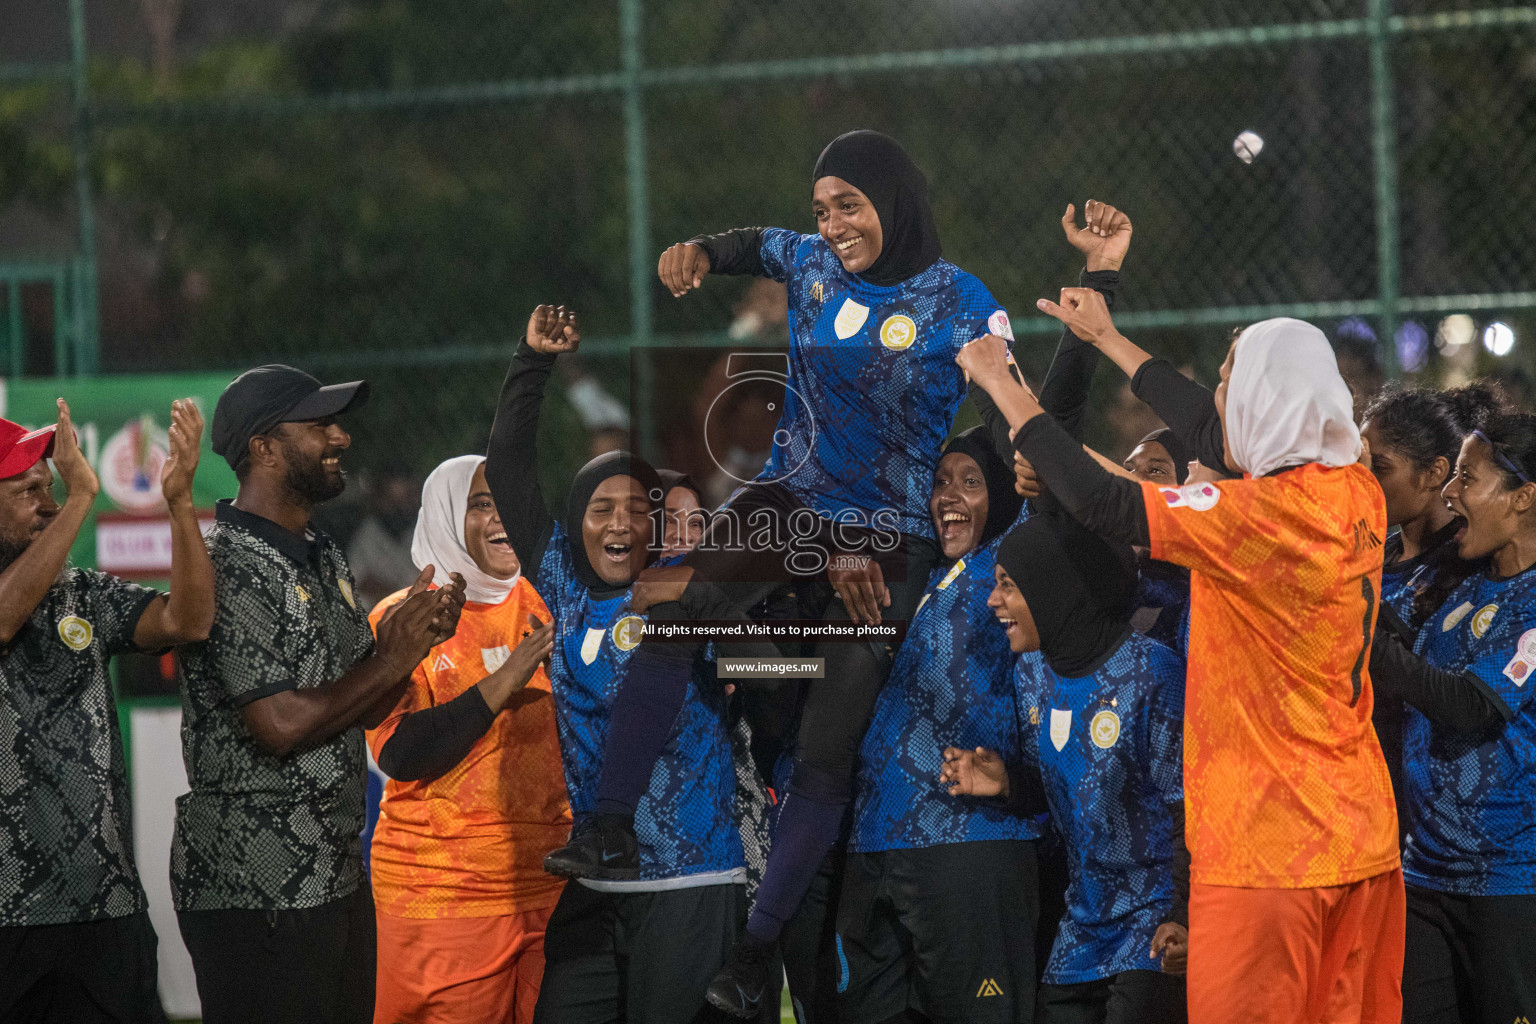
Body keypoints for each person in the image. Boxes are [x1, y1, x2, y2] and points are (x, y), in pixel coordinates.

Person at [541, 129, 1022, 1018]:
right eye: (822, 207)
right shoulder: (805, 262)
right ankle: (608, 829)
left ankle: (758, 954)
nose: (832, 223)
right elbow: (748, 246)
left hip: (888, 537)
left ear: (896, 199)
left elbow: (1014, 413)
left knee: (826, 750)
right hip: (789, 499)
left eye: (850, 203)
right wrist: (696, 252)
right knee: (673, 623)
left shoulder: (963, 302)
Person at [961, 300, 1402, 1023]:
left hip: (1269, 855)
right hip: (1363, 841)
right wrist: (1108, 338)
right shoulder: (1353, 490)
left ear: (1264, 401)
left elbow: (1106, 502)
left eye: (1231, 379)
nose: (1220, 394)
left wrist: (1007, 389)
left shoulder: (1251, 519)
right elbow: (1203, 427)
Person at [485, 307, 771, 1024]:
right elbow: (510, 469)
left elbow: (783, 671)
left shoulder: (684, 589)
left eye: (638, 510)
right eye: (602, 508)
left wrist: (725, 625)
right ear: (577, 522)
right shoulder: (563, 585)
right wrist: (531, 362)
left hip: (689, 882)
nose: (621, 522)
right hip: (597, 884)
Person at [173, 365, 465, 1024]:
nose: (341, 438)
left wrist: (408, 643)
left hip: (333, 875)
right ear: (264, 448)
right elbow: (278, 724)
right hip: (256, 886)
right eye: (319, 425)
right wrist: (388, 656)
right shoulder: (228, 565)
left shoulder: (324, 554)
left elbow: (361, 702)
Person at [0, 400, 213, 1024]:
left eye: (52, 487)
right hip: (8, 914)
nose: (48, 500)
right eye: (27, 491)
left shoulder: (83, 592)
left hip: (105, 906)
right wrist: (82, 496)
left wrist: (178, 503)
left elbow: (188, 620)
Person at [943, 512, 1189, 1023]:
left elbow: (1194, 810)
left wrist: (1184, 918)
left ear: (1053, 586)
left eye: (1008, 586)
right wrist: (1011, 783)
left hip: (1154, 932)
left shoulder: (1153, 673)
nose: (993, 602)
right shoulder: (1031, 672)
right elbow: (1069, 796)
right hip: (1079, 935)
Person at [838, 426, 1039, 1022]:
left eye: (972, 482)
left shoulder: (1014, 563)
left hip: (971, 842)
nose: (948, 494)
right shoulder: (916, 570)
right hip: (873, 844)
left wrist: (999, 373)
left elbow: (1049, 428)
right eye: (941, 481)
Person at [366, 454, 569, 1024]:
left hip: (552, 885)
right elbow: (401, 753)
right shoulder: (405, 618)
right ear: (448, 514)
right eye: (482, 503)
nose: (502, 516)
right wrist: (508, 678)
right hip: (443, 894)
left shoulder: (550, 603)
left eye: (509, 499)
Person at [1368, 414, 1536, 1023]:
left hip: (1510, 886)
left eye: (1468, 477)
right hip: (1423, 878)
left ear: (1522, 497)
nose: (1450, 492)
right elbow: (1405, 655)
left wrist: (1363, 633)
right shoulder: (1462, 585)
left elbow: (1466, 704)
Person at [1360, 382, 1502, 829]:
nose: (1362, 484)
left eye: (1378, 469)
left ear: (1434, 473)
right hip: (1367, 796)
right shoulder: (1374, 553)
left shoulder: (1472, 568)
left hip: (1441, 814)